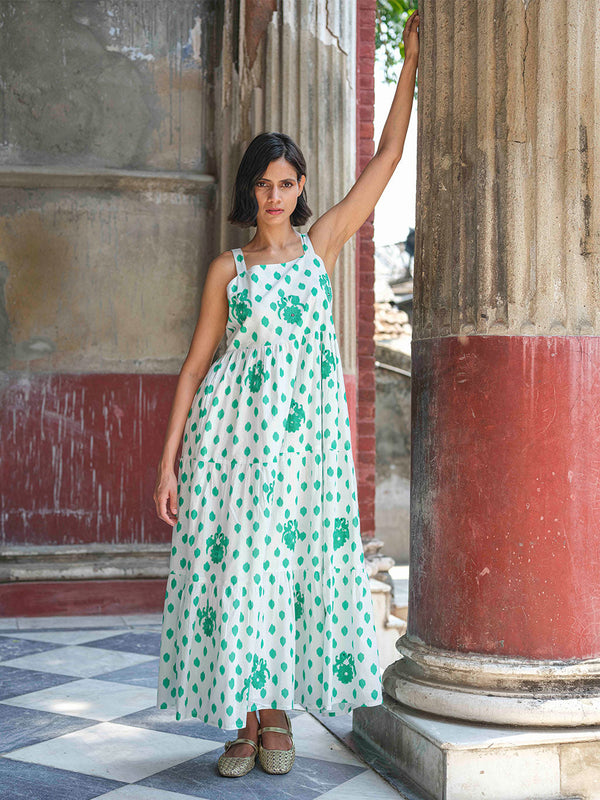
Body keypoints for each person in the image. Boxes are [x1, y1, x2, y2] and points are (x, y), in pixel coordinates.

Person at [153, 10, 419, 779]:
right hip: (233, 448)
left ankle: (276, 722)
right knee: (241, 575)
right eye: (262, 186)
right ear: (251, 192)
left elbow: (388, 155)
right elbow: (195, 369)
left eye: (285, 183)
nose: (274, 196)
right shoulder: (228, 272)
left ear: (302, 188)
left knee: (286, 575)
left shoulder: (321, 246)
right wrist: (168, 465)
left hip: (305, 453)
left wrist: (412, 66)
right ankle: (248, 725)